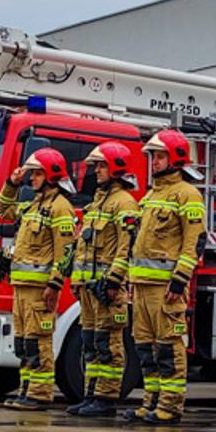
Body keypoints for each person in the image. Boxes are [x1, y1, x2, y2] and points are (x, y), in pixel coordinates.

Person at [111, 129, 205, 425]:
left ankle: (170, 405)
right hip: (141, 288)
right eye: (152, 157)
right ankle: (150, 402)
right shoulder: (151, 195)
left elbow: (194, 241)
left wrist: (180, 280)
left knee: (168, 347)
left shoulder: (188, 194)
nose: (154, 162)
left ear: (176, 158)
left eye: (160, 156)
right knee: (145, 348)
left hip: (166, 289)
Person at [0, 148, 77, 411]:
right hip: (21, 288)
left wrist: (54, 284)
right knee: (23, 342)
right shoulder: (32, 205)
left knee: (38, 341)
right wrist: (12, 183)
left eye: (37, 174)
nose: (32, 179)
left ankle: (39, 394)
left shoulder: (60, 208)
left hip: (41, 290)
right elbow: (3, 209)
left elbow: (65, 251)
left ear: (51, 175)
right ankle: (26, 389)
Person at [64, 142, 141, 417]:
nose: (96, 171)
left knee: (108, 345)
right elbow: (81, 247)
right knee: (90, 343)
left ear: (117, 167)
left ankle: (106, 399)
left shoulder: (124, 203)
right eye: (96, 166)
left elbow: (126, 246)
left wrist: (113, 280)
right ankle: (91, 395)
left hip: (107, 290)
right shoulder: (98, 201)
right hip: (89, 290)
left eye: (101, 165)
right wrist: (76, 280)